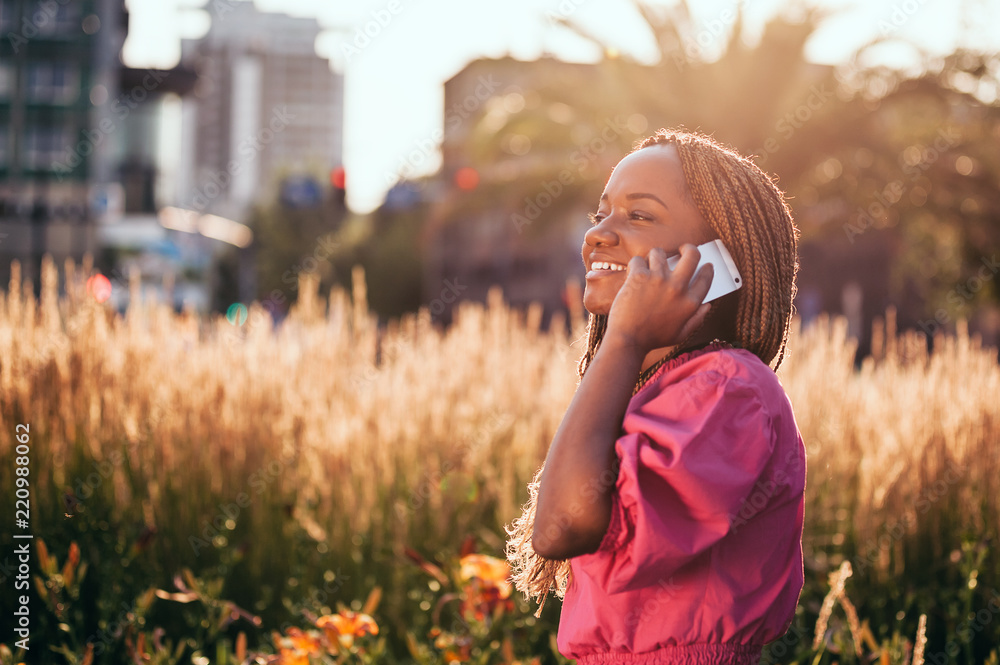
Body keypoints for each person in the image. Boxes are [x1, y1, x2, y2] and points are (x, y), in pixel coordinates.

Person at [505, 129, 806, 665]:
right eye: (601, 214)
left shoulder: (726, 387)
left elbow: (559, 528)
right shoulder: (656, 390)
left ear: (714, 263)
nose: (598, 235)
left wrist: (623, 338)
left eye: (638, 216)